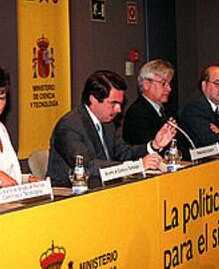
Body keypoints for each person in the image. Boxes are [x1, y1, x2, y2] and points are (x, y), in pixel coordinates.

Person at [47, 70, 177, 188]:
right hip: (70, 195)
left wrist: (154, 145)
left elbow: (124, 153)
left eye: (120, 104)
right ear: (93, 99)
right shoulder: (69, 126)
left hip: (104, 189)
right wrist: (136, 167)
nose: (118, 110)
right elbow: (86, 167)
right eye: (113, 103)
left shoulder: (107, 123)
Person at [180, 65, 219, 151]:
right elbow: (210, 140)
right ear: (204, 85)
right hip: (197, 161)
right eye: (218, 84)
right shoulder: (194, 106)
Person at [123, 59, 175, 144]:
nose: (169, 89)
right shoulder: (137, 114)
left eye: (169, 84)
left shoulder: (168, 110)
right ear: (146, 84)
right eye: (163, 83)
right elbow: (147, 150)